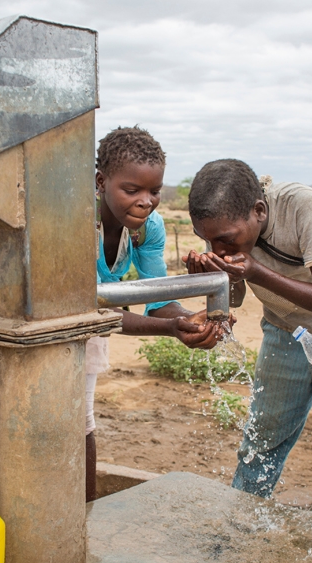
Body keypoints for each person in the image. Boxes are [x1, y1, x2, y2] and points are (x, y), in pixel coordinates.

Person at [183, 159, 312, 521]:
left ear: (259, 211)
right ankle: (241, 528)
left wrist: (258, 271)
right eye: (207, 238)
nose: (217, 246)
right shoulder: (228, 233)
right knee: (262, 440)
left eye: (225, 238)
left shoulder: (302, 207)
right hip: (285, 332)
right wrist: (211, 280)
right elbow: (236, 297)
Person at [88, 126, 224, 501]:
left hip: (92, 323)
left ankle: (83, 521)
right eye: (132, 191)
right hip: (55, 320)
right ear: (101, 181)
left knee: (81, 422)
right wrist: (170, 328)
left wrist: (190, 316)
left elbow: (155, 298)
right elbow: (91, 308)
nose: (147, 201)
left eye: (155, 191)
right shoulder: (75, 221)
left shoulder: (148, 229)